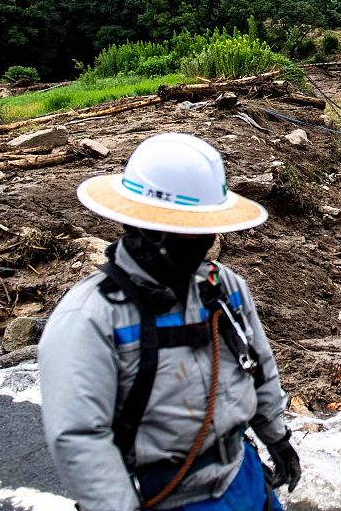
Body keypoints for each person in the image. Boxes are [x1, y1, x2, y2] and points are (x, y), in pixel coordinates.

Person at [39, 132, 301, 511]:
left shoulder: (223, 287)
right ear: (146, 228)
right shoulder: (92, 316)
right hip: (168, 495)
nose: (202, 245)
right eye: (189, 233)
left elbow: (258, 365)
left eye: (205, 231)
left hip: (242, 476)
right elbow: (81, 438)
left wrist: (276, 437)